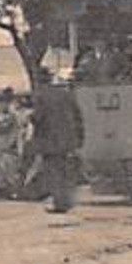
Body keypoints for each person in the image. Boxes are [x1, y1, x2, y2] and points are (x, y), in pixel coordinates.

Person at [31, 72, 85, 213]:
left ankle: (60, 203)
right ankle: (67, 201)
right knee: (65, 171)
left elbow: (38, 118)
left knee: (54, 172)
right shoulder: (65, 94)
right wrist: (79, 138)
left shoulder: (41, 95)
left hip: (50, 141)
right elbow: (78, 116)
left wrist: (30, 118)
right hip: (68, 139)